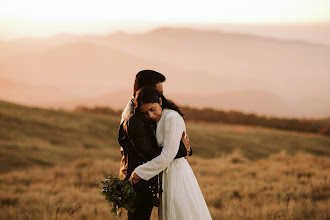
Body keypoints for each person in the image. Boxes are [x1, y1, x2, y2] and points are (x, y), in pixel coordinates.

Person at [118, 70, 192, 220]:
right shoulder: (134, 118)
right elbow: (149, 152)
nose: (161, 97)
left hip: (148, 177)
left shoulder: (144, 110)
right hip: (139, 181)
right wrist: (182, 149)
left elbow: (161, 139)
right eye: (158, 92)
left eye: (162, 92)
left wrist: (182, 147)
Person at [129, 87, 212, 220]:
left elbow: (167, 155)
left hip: (176, 175)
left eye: (152, 109)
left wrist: (140, 172)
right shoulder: (161, 118)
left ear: (160, 101)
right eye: (145, 113)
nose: (150, 115)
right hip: (167, 175)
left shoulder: (171, 117)